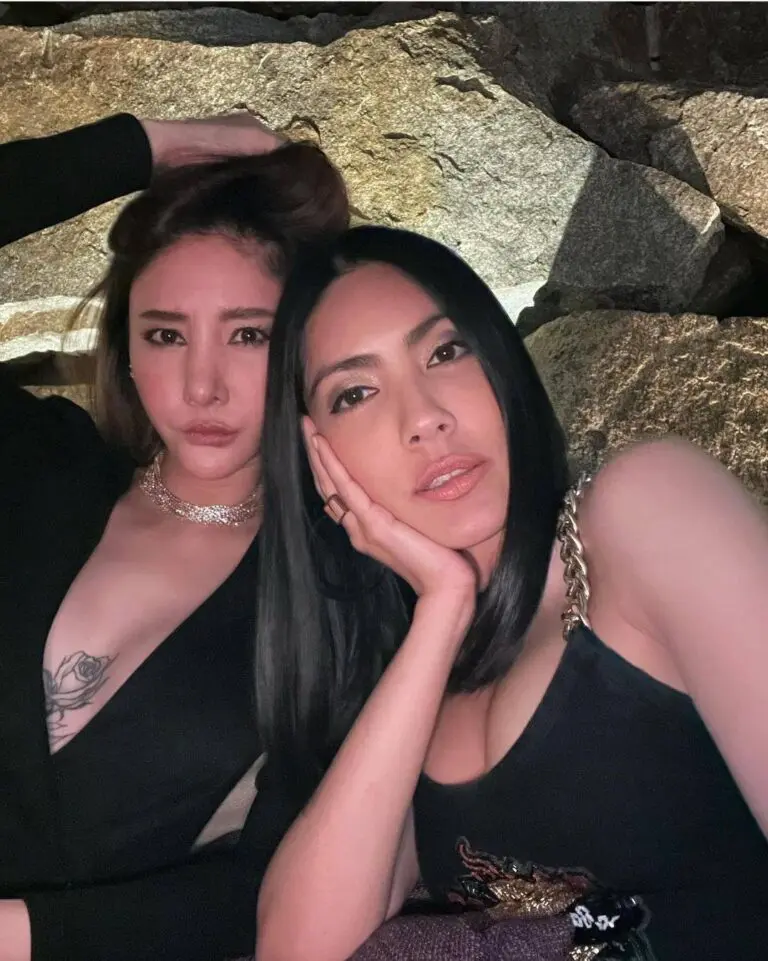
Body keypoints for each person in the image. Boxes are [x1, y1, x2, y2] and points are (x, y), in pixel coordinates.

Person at [253, 226, 768, 961]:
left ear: (500, 360)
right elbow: (301, 948)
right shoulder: (407, 669)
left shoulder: (643, 512)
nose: (424, 418)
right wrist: (443, 607)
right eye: (356, 393)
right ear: (316, 458)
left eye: (446, 351)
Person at [0, 114, 348, 961]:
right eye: (166, 334)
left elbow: (284, 884)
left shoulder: (343, 581)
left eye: (248, 333)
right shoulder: (38, 465)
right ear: (125, 347)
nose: (202, 385)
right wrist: (142, 146)